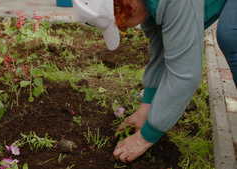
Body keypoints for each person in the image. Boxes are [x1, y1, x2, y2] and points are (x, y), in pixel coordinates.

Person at [71, 0, 227, 164]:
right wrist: (146, 108)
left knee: (231, 36)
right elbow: (161, 49)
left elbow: (185, 74)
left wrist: (144, 138)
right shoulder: (148, 7)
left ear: (130, 5)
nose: (123, 29)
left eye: (119, 23)